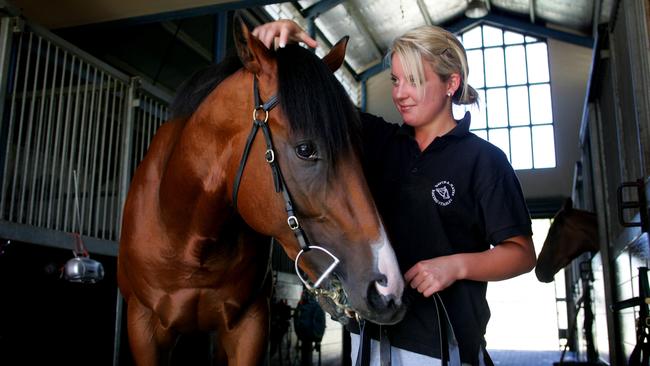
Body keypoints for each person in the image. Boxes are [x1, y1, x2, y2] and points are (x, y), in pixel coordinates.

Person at [253, 20, 536, 366]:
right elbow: (308, 105)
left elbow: (522, 254)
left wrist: (456, 266)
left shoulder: (484, 161)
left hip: (444, 349)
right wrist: (283, 51)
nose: (399, 93)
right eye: (395, 80)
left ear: (452, 83)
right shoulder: (376, 140)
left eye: (414, 81)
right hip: (370, 340)